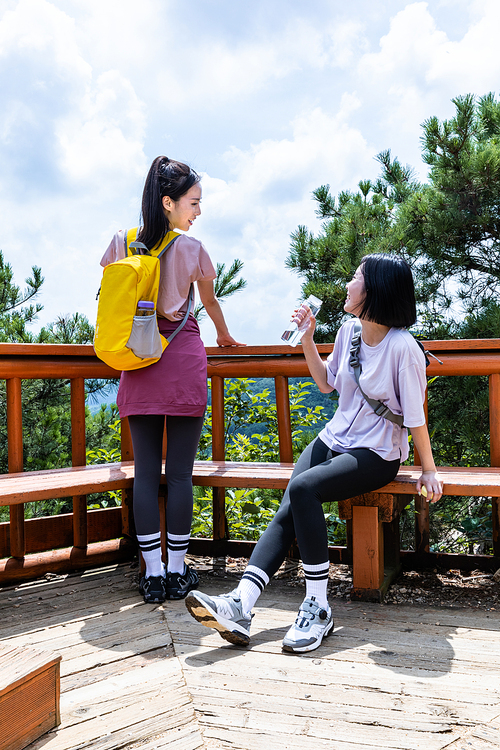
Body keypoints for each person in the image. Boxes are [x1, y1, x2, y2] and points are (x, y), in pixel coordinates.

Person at [185, 253, 443, 653]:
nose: (347, 285)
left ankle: (319, 607)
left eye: (355, 278)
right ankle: (241, 604)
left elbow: (414, 417)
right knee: (292, 501)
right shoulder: (349, 331)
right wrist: (307, 337)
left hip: (376, 451)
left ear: (375, 290)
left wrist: (428, 470)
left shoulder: (403, 348)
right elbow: (327, 384)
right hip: (335, 437)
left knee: (303, 489)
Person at [100, 156, 243, 605]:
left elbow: (110, 299)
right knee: (180, 475)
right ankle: (179, 571)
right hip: (180, 358)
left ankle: (154, 575)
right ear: (169, 202)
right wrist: (223, 335)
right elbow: (210, 303)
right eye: (194, 202)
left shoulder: (122, 242)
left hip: (139, 359)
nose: (198, 212)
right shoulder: (192, 250)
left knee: (146, 474)